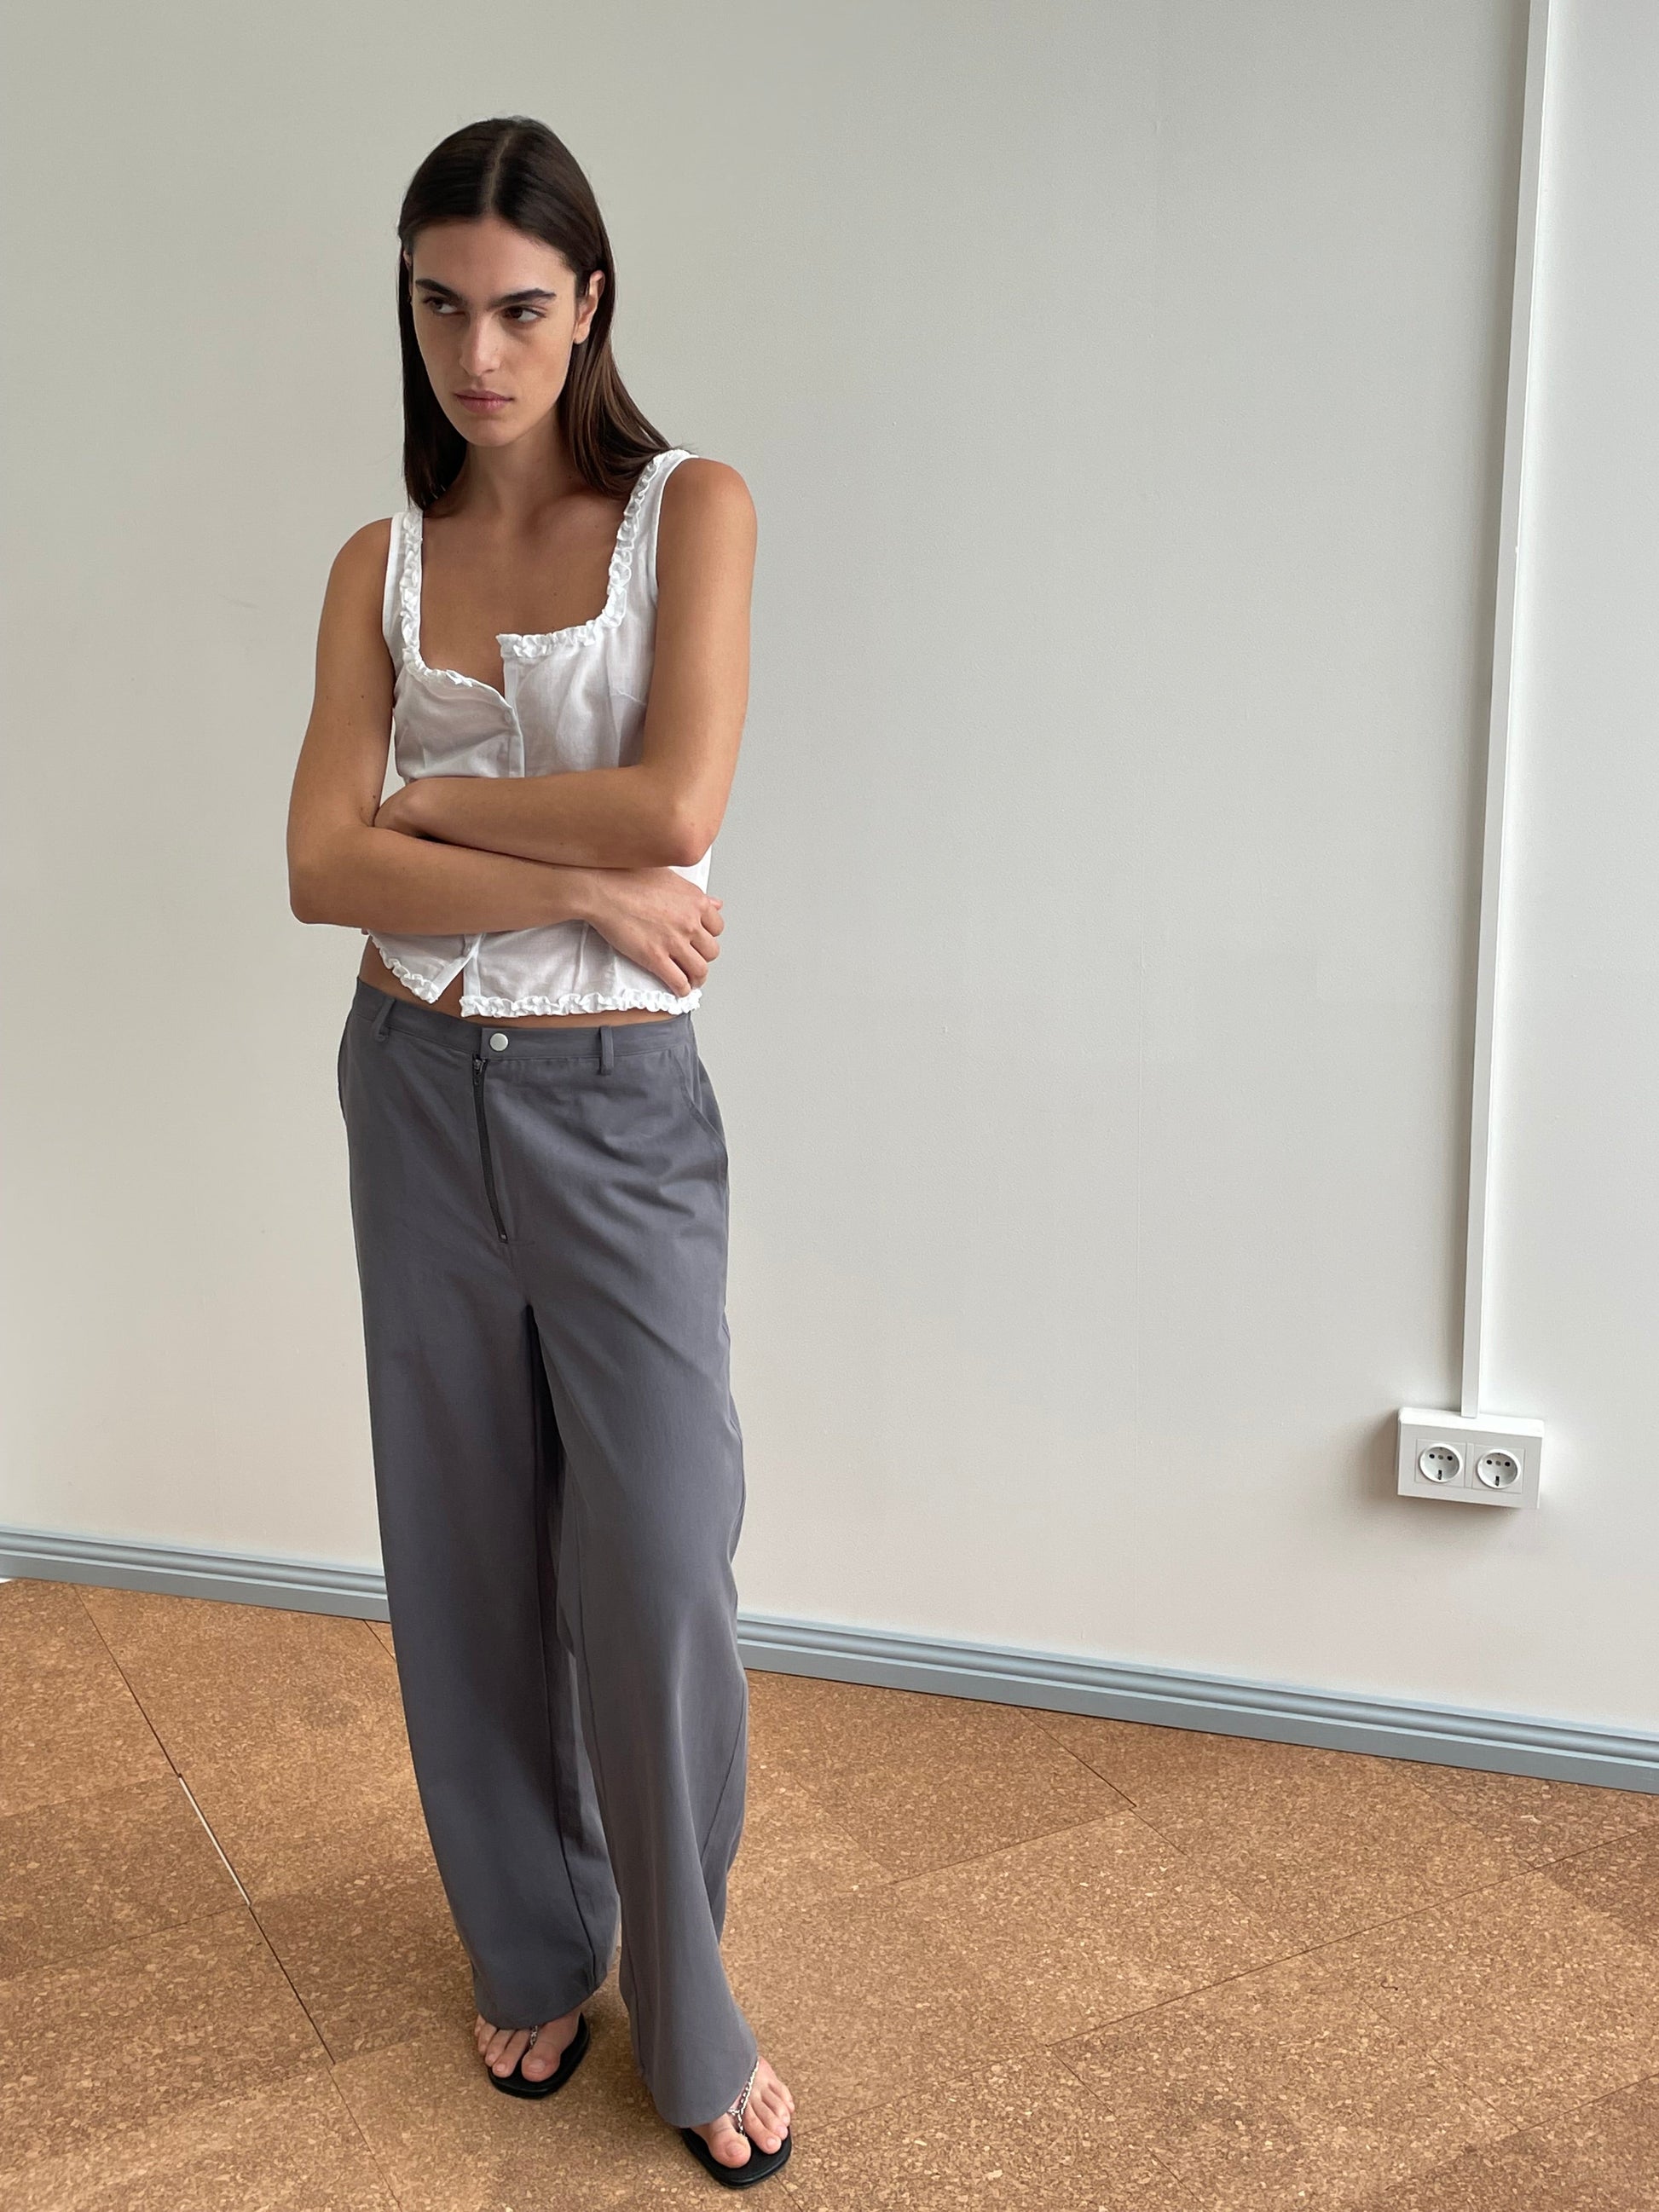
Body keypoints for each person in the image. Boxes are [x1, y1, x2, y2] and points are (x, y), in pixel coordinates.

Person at [285, 113, 794, 2189]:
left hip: (614, 1110)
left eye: (515, 306)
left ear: (587, 306)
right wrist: (569, 886)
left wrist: (447, 827)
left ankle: (686, 2008)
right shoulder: (378, 565)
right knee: (465, 1542)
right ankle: (528, 1936)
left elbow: (674, 800)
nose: (473, 352)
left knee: (659, 1550)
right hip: (411, 1084)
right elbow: (320, 867)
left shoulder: (698, 511)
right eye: (437, 305)